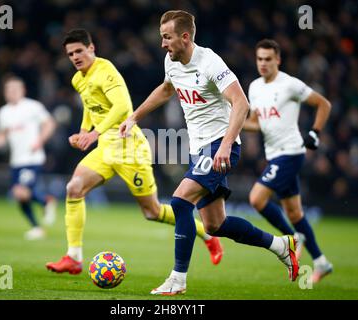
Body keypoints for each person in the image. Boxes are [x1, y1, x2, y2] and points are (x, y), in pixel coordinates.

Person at [119, 10, 300, 296]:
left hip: (220, 146)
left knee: (179, 202)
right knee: (215, 224)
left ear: (185, 37)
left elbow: (240, 104)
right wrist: (134, 117)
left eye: (167, 38)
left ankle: (178, 279)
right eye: (162, 38)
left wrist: (226, 145)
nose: (163, 44)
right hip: (199, 149)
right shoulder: (172, 61)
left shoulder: (210, 62)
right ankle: (281, 246)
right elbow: (167, 89)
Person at [45, 29, 223, 275]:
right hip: (106, 148)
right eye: (70, 54)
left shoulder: (105, 71)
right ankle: (73, 258)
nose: (75, 57)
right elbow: (91, 105)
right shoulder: (78, 78)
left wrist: (93, 134)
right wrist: (84, 130)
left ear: (91, 48)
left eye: (79, 51)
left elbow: (122, 108)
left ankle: (206, 234)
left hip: (130, 149)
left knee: (152, 212)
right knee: (73, 188)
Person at [244, 39, 333, 284]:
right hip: (274, 154)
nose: (263, 63)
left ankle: (292, 238)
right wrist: (234, 123)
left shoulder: (290, 85)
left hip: (291, 152)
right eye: (259, 59)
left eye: (268, 59)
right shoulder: (254, 87)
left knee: (256, 198)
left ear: (278, 60)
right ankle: (321, 262)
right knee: (294, 212)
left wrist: (315, 131)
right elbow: (256, 123)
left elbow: (323, 104)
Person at [0, 76, 57, 240]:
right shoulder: (4, 112)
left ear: (23, 90)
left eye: (15, 89)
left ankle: (46, 202)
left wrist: (40, 140)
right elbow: (3, 136)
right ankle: (38, 225)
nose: (11, 92)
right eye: (8, 90)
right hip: (16, 161)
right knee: (21, 196)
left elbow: (50, 123)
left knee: (20, 192)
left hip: (32, 158)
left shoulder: (32, 107)